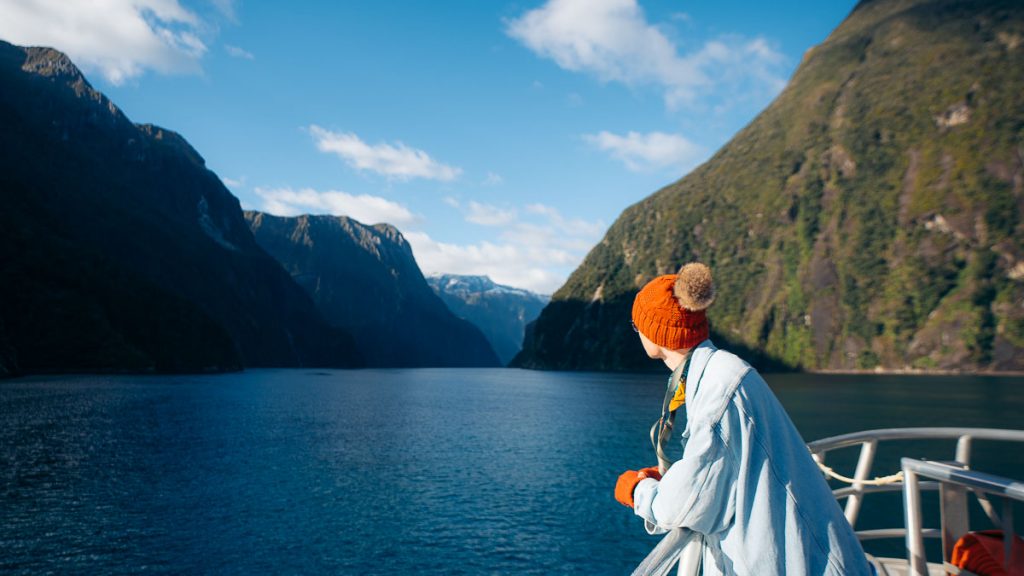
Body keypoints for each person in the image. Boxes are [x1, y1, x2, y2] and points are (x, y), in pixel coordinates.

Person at [614, 263, 873, 575]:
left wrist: (637, 491)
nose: (637, 332)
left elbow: (692, 503)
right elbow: (721, 467)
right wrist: (672, 477)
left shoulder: (716, 393)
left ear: (656, 334)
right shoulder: (727, 372)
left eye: (637, 325)